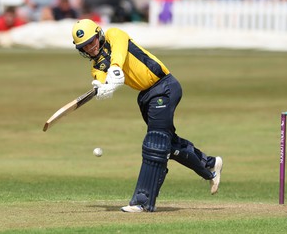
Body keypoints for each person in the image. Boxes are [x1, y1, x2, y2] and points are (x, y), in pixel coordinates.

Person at [70, 19, 223, 213]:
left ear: (99, 34)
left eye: (92, 42)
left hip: (164, 86)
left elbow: (118, 52)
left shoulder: (114, 34)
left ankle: (142, 202)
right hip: (146, 97)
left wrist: (115, 68)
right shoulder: (96, 65)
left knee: (155, 143)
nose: (91, 49)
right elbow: (100, 78)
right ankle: (209, 164)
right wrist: (101, 87)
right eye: (85, 47)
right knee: (166, 143)